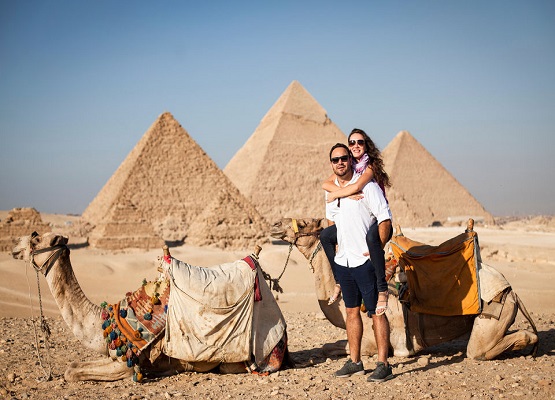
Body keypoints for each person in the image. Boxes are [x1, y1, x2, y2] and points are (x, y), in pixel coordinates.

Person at [326, 143, 393, 382]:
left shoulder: (370, 188)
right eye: (335, 160)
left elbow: (385, 219)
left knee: (377, 312)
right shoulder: (331, 192)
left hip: (364, 262)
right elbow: (332, 224)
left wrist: (376, 249)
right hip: (343, 261)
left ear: (351, 160)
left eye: (344, 158)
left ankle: (384, 364)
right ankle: (355, 362)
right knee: (351, 311)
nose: (340, 162)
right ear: (331, 164)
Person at [321, 129, 392, 314]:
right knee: (326, 236)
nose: (355, 146)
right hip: (351, 217)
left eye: (360, 142)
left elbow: (358, 186)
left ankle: (382, 288)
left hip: (378, 219)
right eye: (351, 142)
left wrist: (342, 193)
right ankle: (338, 279)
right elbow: (326, 183)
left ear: (366, 144)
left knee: (371, 240)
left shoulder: (370, 166)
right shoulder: (349, 163)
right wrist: (341, 193)